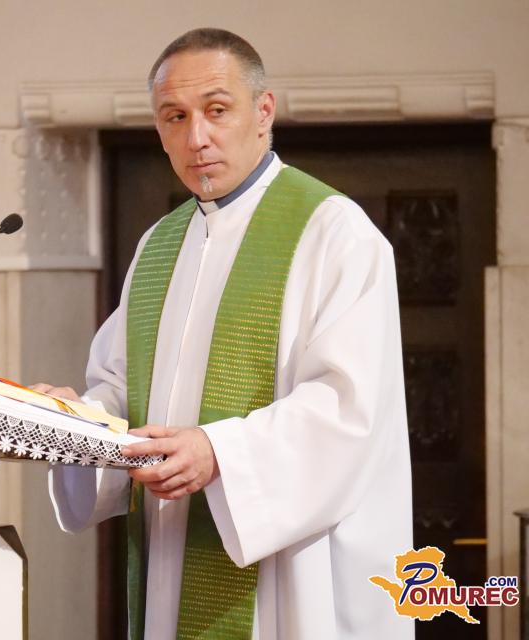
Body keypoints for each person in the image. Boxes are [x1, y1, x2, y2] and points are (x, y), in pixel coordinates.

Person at [31, 28, 413, 640]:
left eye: (216, 110)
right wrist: (71, 419)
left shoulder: (334, 232)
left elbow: (350, 410)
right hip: (173, 551)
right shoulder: (160, 244)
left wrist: (220, 454)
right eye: (175, 117)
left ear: (263, 112)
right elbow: (123, 390)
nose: (196, 138)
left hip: (292, 573)